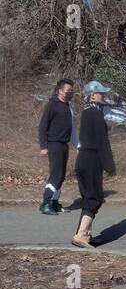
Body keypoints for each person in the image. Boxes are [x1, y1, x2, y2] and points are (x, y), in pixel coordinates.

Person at [72, 81, 115, 249]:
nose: (103, 96)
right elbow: (102, 142)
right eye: (100, 93)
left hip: (83, 158)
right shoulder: (95, 114)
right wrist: (109, 165)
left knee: (88, 196)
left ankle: (86, 235)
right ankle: (81, 235)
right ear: (92, 95)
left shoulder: (86, 112)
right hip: (91, 160)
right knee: (94, 197)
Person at [38, 79, 79, 215]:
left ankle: (54, 203)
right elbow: (43, 126)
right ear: (60, 91)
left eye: (72, 90)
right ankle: (45, 204)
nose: (70, 92)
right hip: (54, 144)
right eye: (68, 89)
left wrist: (78, 145)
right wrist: (43, 146)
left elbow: (72, 128)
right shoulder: (52, 105)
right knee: (55, 175)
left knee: (61, 176)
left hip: (64, 145)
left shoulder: (68, 106)